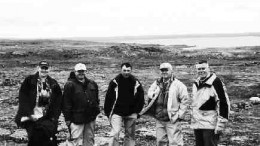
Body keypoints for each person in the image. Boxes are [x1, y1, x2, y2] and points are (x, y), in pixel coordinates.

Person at [15, 61, 62, 146]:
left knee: (50, 141)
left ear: (49, 69)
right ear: (38, 68)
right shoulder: (29, 81)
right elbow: (23, 99)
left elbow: (58, 102)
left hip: (47, 118)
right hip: (31, 118)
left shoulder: (53, 83)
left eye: (46, 68)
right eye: (42, 68)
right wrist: (29, 114)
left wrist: (54, 117)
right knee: (34, 140)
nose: (44, 70)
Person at [141, 62, 189, 146]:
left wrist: (180, 116)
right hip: (159, 119)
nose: (164, 72)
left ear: (171, 71)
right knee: (161, 142)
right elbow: (150, 93)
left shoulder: (179, 85)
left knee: (175, 142)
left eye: (166, 70)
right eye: (162, 70)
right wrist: (155, 93)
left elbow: (184, 100)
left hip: (172, 119)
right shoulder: (157, 83)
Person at [191, 60, 230, 146]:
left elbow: (223, 103)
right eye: (199, 69)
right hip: (197, 123)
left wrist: (220, 124)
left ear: (208, 68)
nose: (201, 71)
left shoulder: (216, 82)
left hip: (210, 124)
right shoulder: (196, 83)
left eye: (203, 68)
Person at [104, 62, 144, 146]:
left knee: (130, 135)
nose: (126, 72)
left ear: (131, 70)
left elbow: (141, 98)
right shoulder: (115, 82)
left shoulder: (136, 82)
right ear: (121, 70)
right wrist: (108, 112)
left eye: (128, 70)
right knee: (115, 133)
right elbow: (108, 98)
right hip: (117, 112)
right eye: (124, 70)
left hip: (131, 113)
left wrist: (137, 112)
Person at [62, 63, 100, 146]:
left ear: (85, 71)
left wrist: (96, 111)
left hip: (90, 118)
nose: (81, 73)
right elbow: (66, 103)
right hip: (76, 119)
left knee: (89, 140)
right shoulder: (69, 85)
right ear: (75, 72)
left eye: (82, 71)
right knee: (74, 141)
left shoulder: (92, 84)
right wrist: (68, 119)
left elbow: (96, 99)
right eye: (79, 71)